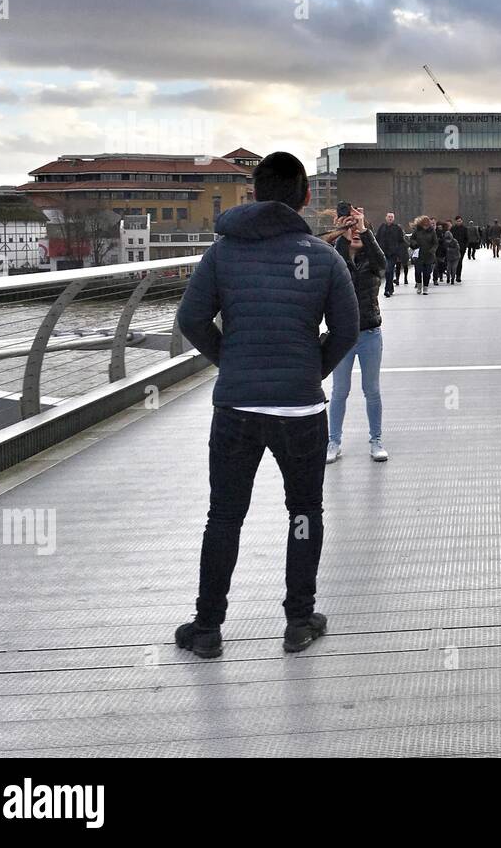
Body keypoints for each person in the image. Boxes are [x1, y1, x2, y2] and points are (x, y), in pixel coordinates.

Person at [174, 152, 357, 660]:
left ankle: (208, 628)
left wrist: (230, 361)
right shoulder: (321, 257)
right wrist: (309, 371)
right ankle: (299, 621)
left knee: (225, 516)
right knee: (304, 512)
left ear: (253, 193)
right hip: (300, 413)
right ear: (303, 198)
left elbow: (191, 320)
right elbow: (347, 327)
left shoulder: (223, 252)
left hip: (236, 409)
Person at [326, 207, 389, 464]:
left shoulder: (370, 262)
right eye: (350, 229)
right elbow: (333, 261)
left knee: (371, 390)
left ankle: (376, 441)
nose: (355, 233)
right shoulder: (336, 259)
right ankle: (334, 441)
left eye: (359, 229)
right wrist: (341, 233)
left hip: (370, 334)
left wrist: (364, 229)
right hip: (341, 336)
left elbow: (383, 263)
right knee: (340, 391)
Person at [374, 211, 406, 299]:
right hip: (383, 253)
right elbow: (377, 239)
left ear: (394, 218)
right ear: (386, 217)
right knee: (388, 271)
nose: (390, 218)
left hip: (393, 253)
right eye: (389, 217)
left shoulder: (397, 228)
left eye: (392, 217)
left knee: (389, 270)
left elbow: (401, 241)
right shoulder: (382, 227)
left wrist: (400, 254)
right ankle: (390, 287)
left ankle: (387, 289)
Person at [411, 215, 438, 294]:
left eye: (427, 224)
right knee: (418, 272)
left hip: (428, 255)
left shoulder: (432, 231)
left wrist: (432, 250)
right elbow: (412, 239)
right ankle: (419, 286)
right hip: (418, 255)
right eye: (424, 225)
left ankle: (425, 287)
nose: (425, 226)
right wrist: (414, 243)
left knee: (427, 273)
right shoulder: (417, 231)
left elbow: (435, 243)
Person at [450, 216, 469, 282]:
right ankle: (453, 274)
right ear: (455, 221)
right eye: (458, 221)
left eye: (460, 221)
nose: (459, 222)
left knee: (460, 262)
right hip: (454, 248)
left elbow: (467, 238)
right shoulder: (452, 229)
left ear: (462, 221)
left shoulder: (465, 229)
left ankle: (458, 275)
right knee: (454, 262)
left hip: (461, 248)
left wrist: (465, 246)